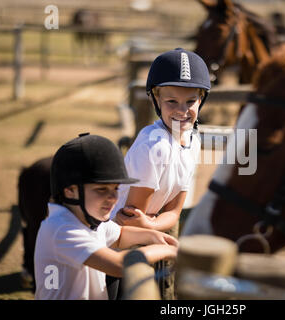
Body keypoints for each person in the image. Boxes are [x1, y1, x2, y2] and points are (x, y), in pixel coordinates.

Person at [109, 48, 211, 299]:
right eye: (171, 101)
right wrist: (152, 225)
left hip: (148, 239)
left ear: (201, 100)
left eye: (191, 101)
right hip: (115, 246)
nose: (182, 110)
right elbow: (131, 220)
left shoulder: (193, 140)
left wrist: (152, 224)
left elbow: (174, 212)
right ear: (156, 99)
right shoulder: (153, 147)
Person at [34, 133, 178, 300]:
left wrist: (154, 236)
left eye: (116, 189)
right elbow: (118, 265)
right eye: (101, 190)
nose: (113, 198)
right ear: (70, 191)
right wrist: (166, 250)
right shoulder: (62, 229)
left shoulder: (89, 219)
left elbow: (120, 235)